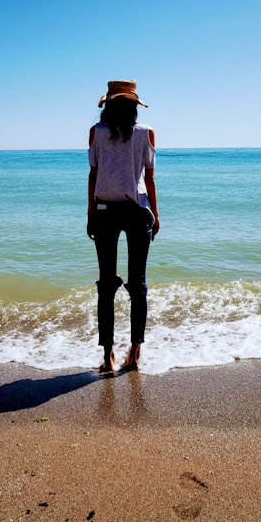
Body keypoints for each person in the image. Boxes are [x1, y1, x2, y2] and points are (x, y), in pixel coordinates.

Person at [87, 80, 160, 373]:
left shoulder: (97, 133)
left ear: (107, 106)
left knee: (106, 286)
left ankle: (107, 356)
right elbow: (150, 178)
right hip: (137, 212)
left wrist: (90, 214)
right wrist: (155, 213)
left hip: (104, 211)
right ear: (133, 107)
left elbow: (93, 175)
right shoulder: (147, 133)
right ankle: (135, 352)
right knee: (138, 285)